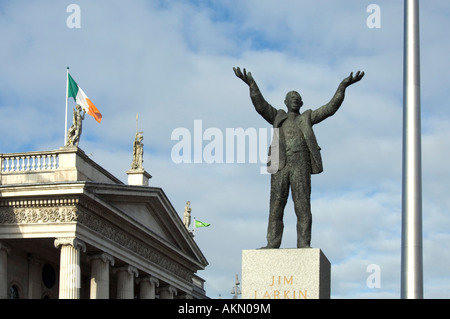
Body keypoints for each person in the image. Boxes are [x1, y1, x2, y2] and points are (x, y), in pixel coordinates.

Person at [233, 67, 364, 248]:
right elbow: (260, 105)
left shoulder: (307, 117)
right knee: (276, 207)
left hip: (300, 163)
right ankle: (272, 243)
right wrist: (251, 84)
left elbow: (330, 108)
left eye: (297, 98)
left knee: (302, 206)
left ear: (301, 103)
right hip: (280, 164)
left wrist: (343, 86)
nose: (294, 100)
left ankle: (303, 243)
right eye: (291, 98)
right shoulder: (278, 116)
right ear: (286, 102)